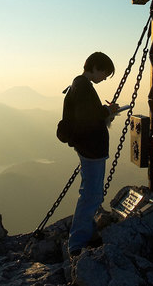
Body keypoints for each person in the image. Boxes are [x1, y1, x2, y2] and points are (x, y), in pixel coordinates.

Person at [67, 51, 119, 257]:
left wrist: (105, 111)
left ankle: (88, 234)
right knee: (91, 195)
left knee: (91, 193)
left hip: (88, 148)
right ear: (95, 67)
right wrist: (107, 111)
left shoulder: (80, 85)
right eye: (105, 73)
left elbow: (87, 113)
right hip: (92, 149)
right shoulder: (83, 87)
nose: (105, 78)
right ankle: (77, 244)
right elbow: (87, 117)